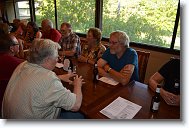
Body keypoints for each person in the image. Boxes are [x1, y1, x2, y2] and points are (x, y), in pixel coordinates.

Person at [2, 39, 85, 119]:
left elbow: (35, 81)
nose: (57, 59)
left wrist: (59, 77)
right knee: (80, 116)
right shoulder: (48, 78)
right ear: (47, 60)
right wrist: (77, 84)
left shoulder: (24, 64)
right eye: (56, 57)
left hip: (9, 119)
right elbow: (76, 105)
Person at [0, 34, 24, 117]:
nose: (19, 44)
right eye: (17, 43)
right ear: (11, 48)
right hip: (7, 105)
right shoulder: (15, 63)